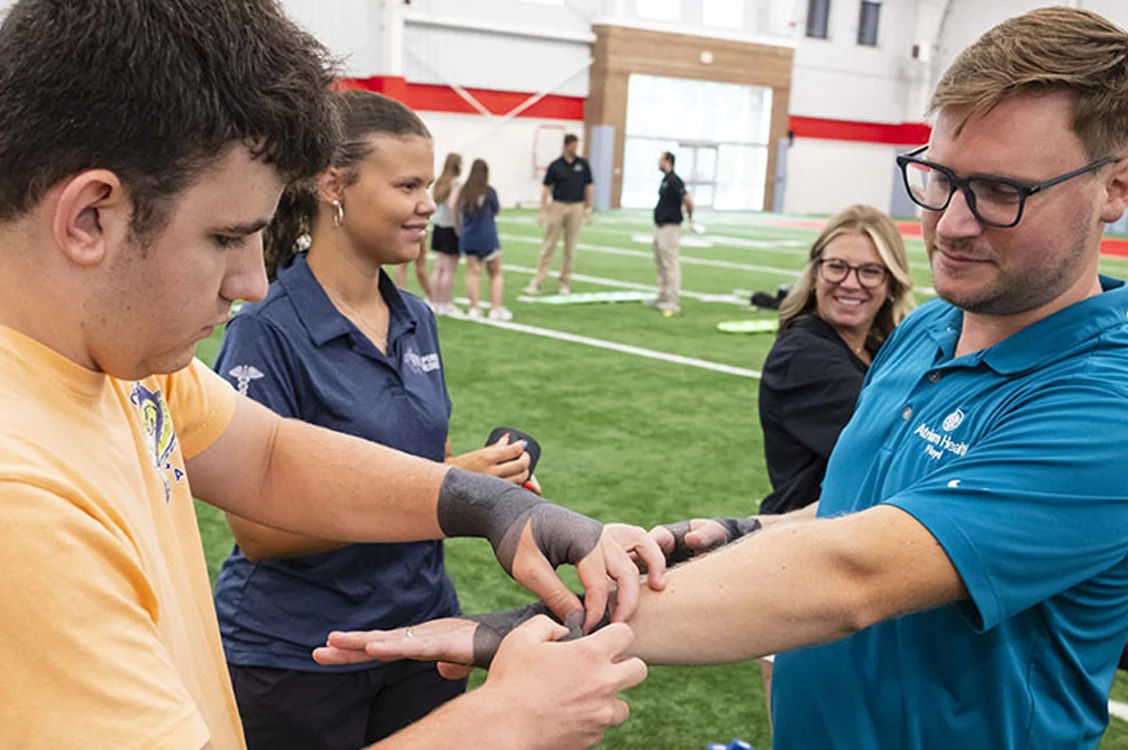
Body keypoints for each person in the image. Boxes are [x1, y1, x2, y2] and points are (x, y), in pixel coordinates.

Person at [0, 3, 653, 749]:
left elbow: (265, 456)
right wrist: (500, 723)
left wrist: (491, 507)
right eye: (226, 238)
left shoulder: (60, 326)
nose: (254, 280)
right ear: (89, 216)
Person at [313, 8, 1128, 749]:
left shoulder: (1107, 401)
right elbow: (862, 515)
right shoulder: (926, 328)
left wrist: (526, 631)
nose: (950, 222)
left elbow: (856, 574)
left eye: (1000, 193)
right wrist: (747, 533)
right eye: (941, 177)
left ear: (1114, 186)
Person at [212, 91, 537, 750]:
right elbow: (259, 532)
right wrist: (453, 488)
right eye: (409, 185)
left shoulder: (416, 316)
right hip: (301, 653)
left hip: (420, 636)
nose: (430, 203)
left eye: (428, 184)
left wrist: (485, 482)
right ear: (334, 185)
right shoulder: (267, 329)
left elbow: (425, 458)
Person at [758, 205, 916, 515]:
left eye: (870, 271)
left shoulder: (880, 347)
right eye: (837, 266)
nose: (850, 283)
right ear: (816, 272)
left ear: (891, 285)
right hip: (807, 542)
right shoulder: (802, 356)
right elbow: (898, 448)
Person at [526, 134, 593, 296]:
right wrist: (542, 211)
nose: (575, 149)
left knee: (570, 247)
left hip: (576, 206)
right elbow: (546, 188)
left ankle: (565, 281)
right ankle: (539, 279)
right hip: (558, 205)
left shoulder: (583, 164)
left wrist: (589, 208)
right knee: (549, 245)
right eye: (573, 146)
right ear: (566, 146)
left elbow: (589, 186)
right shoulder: (555, 165)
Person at [456, 159, 512, 321]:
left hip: (469, 237)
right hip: (487, 236)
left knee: (473, 273)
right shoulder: (489, 192)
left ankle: (474, 308)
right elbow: (496, 210)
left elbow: (459, 211)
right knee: (495, 273)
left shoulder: (464, 192)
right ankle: (495, 308)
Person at [646, 151, 693, 317]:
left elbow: (687, 199)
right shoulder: (665, 180)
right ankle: (663, 296)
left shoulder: (674, 180)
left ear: (667, 161)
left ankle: (672, 300)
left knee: (670, 263)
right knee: (660, 262)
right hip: (661, 225)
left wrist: (691, 218)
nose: (658, 163)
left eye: (660, 160)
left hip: (670, 227)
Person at [425, 153, 464, 316]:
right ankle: (445, 302)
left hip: (439, 226)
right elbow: (453, 204)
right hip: (449, 227)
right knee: (449, 268)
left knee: (439, 266)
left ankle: (434, 300)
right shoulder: (455, 183)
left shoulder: (440, 182)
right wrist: (457, 225)